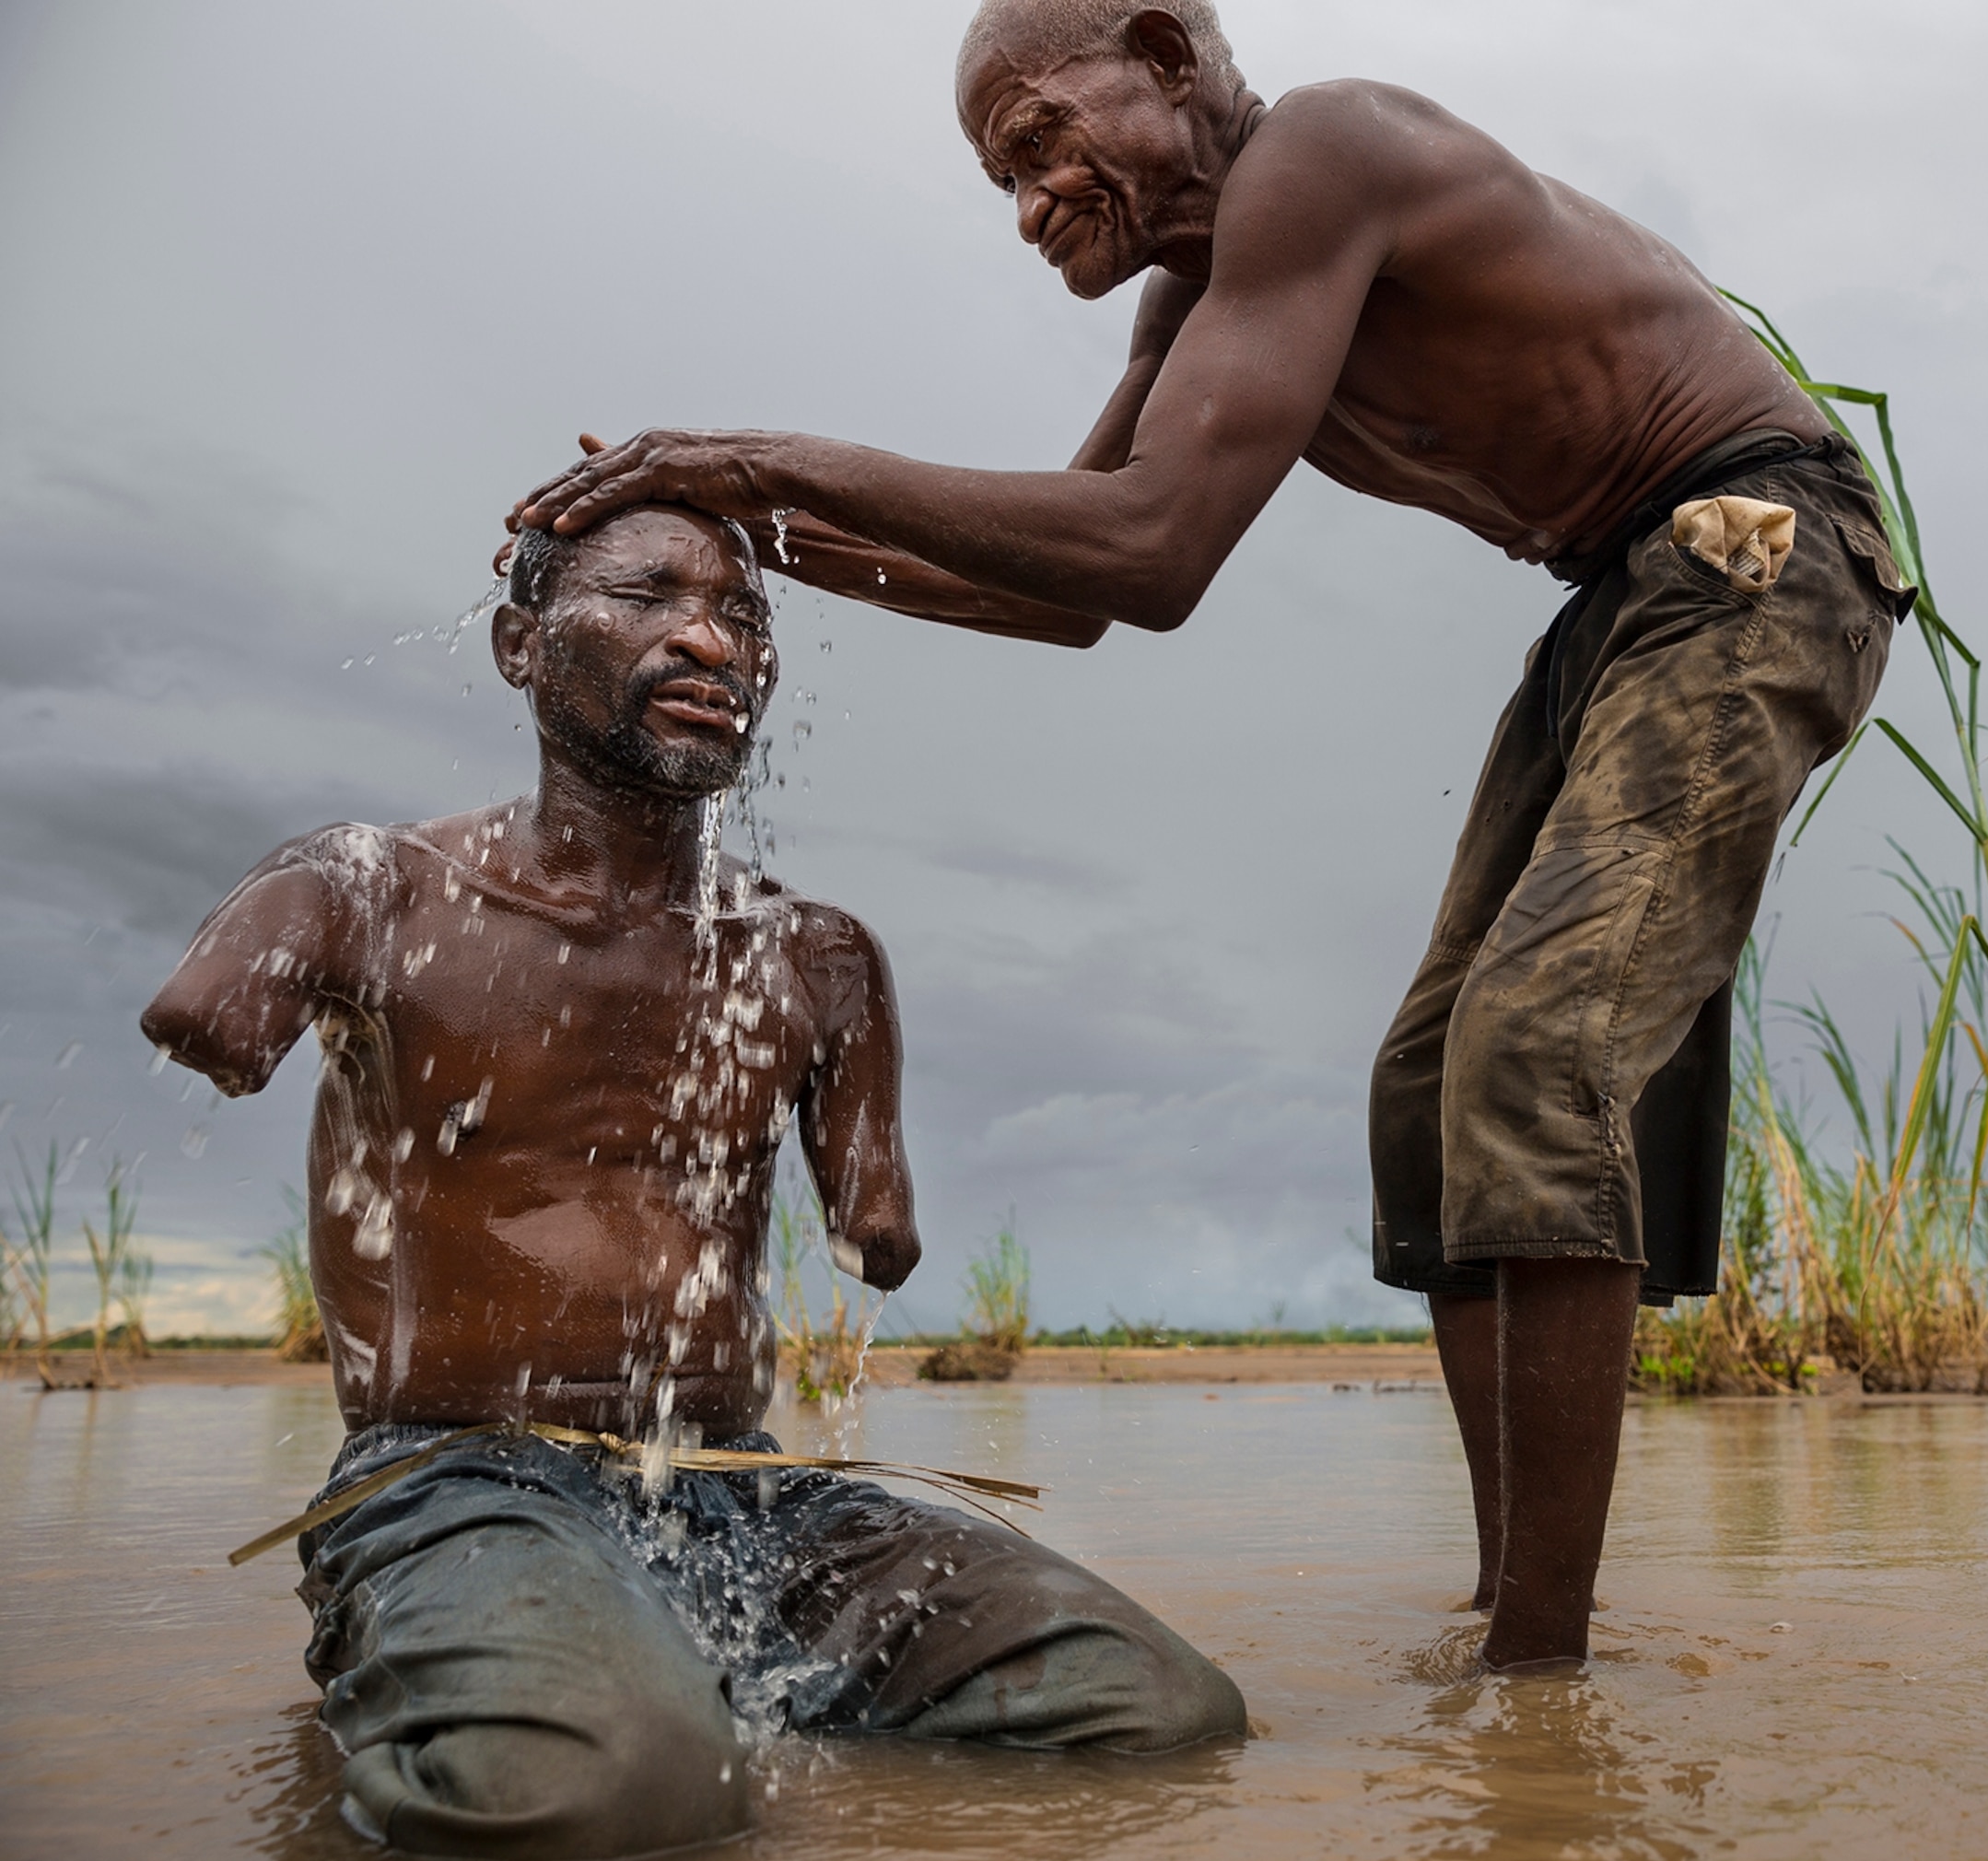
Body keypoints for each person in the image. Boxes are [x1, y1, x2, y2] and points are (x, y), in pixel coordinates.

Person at [508, 1, 1914, 1670]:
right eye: (1000, 181)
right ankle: (1510, 1611)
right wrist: (756, 531)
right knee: (1430, 1076)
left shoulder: (1325, 149)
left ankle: (1542, 1674)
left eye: (1040, 141)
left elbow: (1154, 544)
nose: (1031, 205)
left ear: (1168, 56)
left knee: (1537, 1049)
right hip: (1620, 594)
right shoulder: (1194, 296)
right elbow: (1080, 599)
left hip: (1754, 548)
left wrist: (752, 451)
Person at [143, 502, 1244, 1861]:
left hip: (745, 1488)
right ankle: (497, 1676)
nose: (709, 639)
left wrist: (879, 1201)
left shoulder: (813, 955)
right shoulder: (370, 889)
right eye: (650, 596)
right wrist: (265, 939)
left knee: (1152, 1706)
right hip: (459, 1475)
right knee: (611, 1792)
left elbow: (877, 1232)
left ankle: (630, 1684)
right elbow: (205, 1012)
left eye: (742, 616)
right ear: (516, 645)